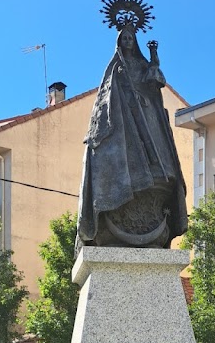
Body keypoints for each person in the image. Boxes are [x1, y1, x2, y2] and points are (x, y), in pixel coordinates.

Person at [77, 24, 188, 248]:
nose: (128, 41)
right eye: (125, 38)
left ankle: (151, 185)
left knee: (156, 153)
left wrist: (154, 57)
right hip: (124, 120)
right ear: (120, 41)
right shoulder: (116, 67)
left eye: (131, 38)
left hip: (147, 114)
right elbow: (106, 99)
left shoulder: (141, 63)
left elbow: (155, 82)